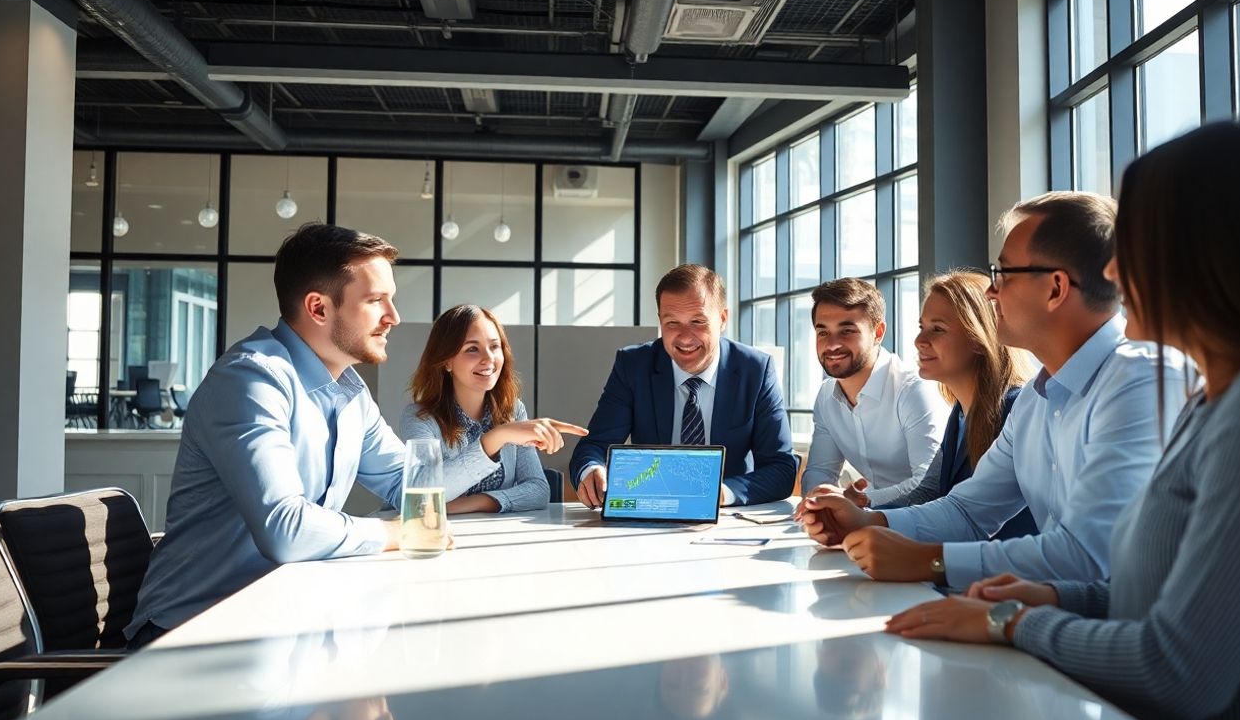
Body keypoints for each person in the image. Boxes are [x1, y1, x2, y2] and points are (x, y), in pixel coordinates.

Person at [885, 116, 1240, 720]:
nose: (1110, 267)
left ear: (1209, 252)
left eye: (1133, 240)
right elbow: (1171, 601)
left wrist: (1009, 621)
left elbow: (1181, 669)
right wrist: (1063, 598)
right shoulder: (1218, 397)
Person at [125, 224, 578, 650]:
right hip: (194, 632)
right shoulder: (252, 381)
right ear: (319, 308)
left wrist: (491, 442)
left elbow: (409, 488)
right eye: (376, 301)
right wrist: (394, 532)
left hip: (281, 616)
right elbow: (286, 530)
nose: (394, 318)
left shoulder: (348, 390)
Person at [798, 191, 1189, 589]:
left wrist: (931, 561)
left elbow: (1090, 555)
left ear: (1055, 288)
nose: (991, 291)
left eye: (1003, 274)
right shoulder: (1037, 398)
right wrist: (869, 521)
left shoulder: (1140, 380)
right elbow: (969, 511)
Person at [570, 264, 797, 507]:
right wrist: (591, 471)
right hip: (652, 510)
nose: (685, 337)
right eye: (672, 323)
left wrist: (720, 494)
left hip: (726, 518)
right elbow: (593, 446)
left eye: (698, 321)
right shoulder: (634, 365)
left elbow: (781, 468)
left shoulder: (756, 370)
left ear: (722, 319)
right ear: (660, 321)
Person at [875, 271, 1037, 540]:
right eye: (921, 327)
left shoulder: (1016, 409)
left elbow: (981, 520)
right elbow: (928, 492)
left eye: (937, 329)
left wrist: (868, 519)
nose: (919, 341)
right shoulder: (960, 413)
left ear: (978, 338)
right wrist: (862, 515)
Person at [401, 304, 586, 514]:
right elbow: (424, 494)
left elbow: (538, 490)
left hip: (496, 535)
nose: (488, 358)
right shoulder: (420, 419)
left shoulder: (513, 410)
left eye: (494, 346)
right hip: (440, 537)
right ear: (447, 361)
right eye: (472, 348)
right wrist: (498, 436)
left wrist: (474, 503)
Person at [798, 278, 948, 509]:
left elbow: (929, 485)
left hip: (925, 526)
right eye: (823, 332)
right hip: (868, 522)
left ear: (878, 332)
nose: (832, 344)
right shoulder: (827, 396)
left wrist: (858, 501)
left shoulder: (913, 390)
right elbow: (820, 471)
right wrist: (820, 502)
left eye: (847, 331)